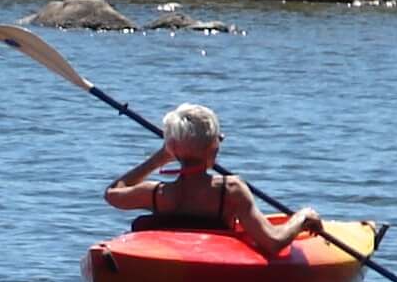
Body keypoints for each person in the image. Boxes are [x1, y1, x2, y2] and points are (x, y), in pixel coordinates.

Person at [103, 103, 320, 257]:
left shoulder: (157, 194)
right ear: (213, 147)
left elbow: (113, 193)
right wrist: (302, 218)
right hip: (210, 271)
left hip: (179, 262)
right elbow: (273, 242)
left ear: (172, 147)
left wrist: (160, 158)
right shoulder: (231, 190)